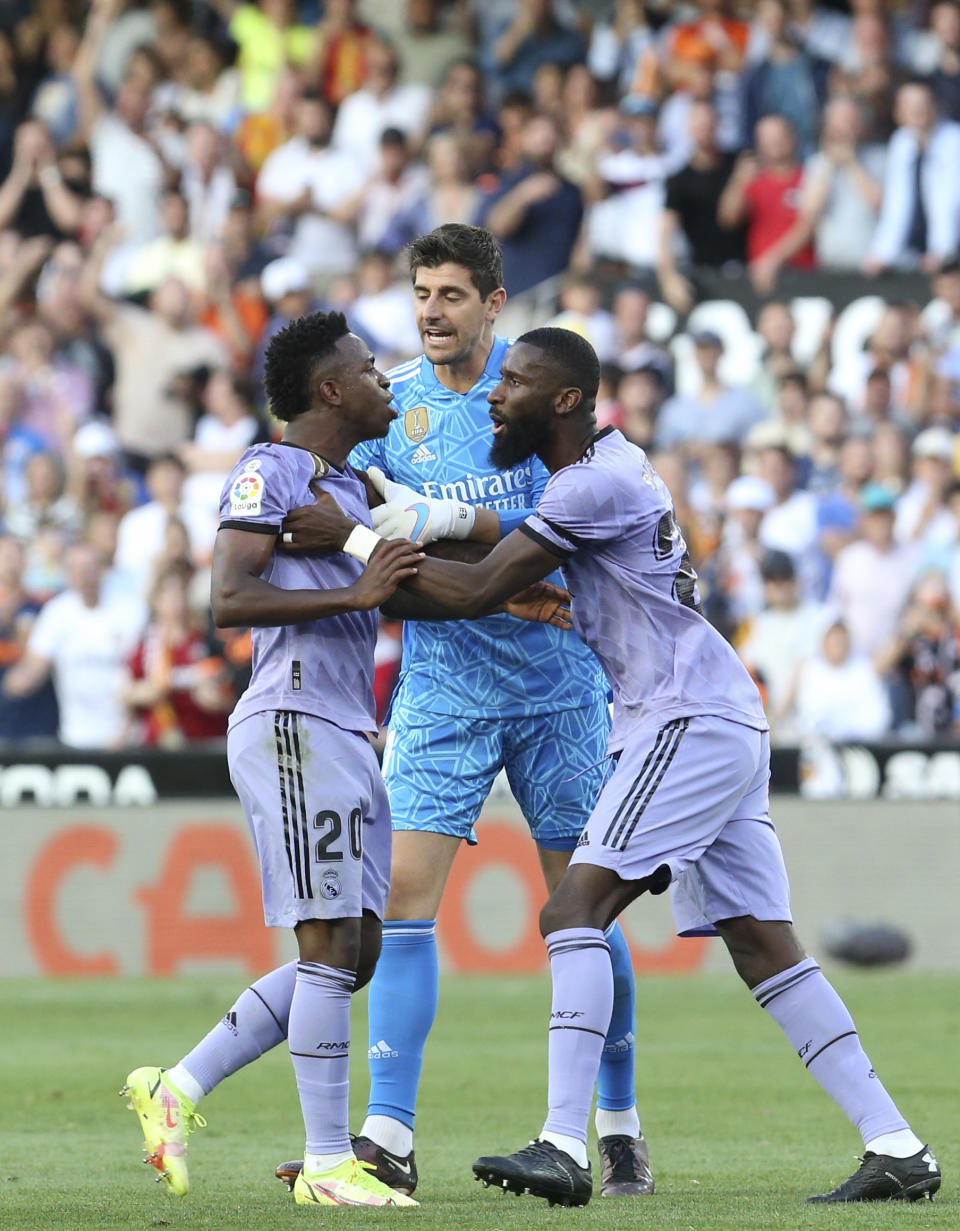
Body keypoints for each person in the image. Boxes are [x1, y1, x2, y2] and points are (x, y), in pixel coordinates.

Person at [318, 326, 939, 1207]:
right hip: (720, 712)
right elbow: (529, 590)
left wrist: (353, 546)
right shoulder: (614, 467)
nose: (497, 393)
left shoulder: (590, 484)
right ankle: (898, 1144)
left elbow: (476, 591)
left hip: (681, 717)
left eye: (518, 382)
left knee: (575, 905)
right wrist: (435, 529)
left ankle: (565, 1142)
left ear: (564, 400)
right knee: (762, 942)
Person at [119, 310, 564, 1206]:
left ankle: (178, 1087)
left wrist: (507, 598)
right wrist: (361, 587)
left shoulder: (354, 489)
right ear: (329, 391)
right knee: (326, 945)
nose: (387, 381)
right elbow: (231, 597)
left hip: (347, 731)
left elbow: (405, 590)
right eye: (369, 368)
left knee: (354, 953)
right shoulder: (269, 468)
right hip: (292, 720)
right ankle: (328, 1163)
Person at [277, 224, 649, 1200]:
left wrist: (467, 551)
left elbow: (571, 530)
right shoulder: (387, 407)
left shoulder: (529, 402)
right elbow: (342, 515)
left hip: (560, 682)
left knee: (584, 904)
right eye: (421, 292)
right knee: (403, 901)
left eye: (451, 294)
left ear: (494, 303)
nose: (432, 311)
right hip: (443, 680)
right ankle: (388, 1133)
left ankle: (618, 1122)